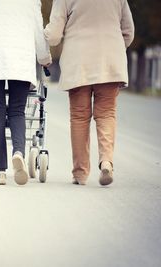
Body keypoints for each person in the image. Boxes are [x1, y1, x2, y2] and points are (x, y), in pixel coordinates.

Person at [44, 0, 135, 186]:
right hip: (110, 60)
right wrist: (114, 48)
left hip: (79, 62)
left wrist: (41, 33)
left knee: (79, 117)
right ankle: (107, 161)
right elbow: (128, 32)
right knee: (107, 114)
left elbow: (53, 36)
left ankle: (80, 173)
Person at [0, 0, 52, 185]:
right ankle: (19, 152)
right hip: (21, 60)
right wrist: (44, 58)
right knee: (17, 110)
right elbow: (39, 32)